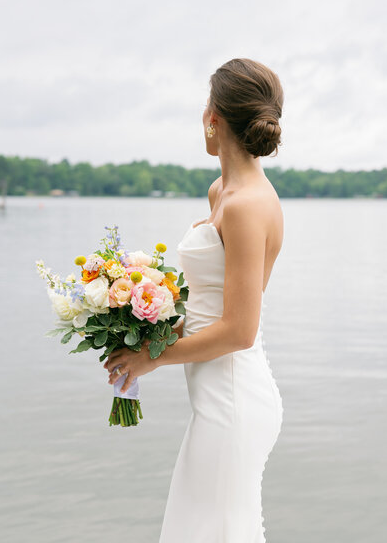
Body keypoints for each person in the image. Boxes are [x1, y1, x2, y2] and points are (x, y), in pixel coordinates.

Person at [104, 58, 284, 542]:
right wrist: (144, 320)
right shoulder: (221, 191)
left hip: (233, 399)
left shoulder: (248, 205)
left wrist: (151, 357)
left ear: (215, 118)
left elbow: (240, 329)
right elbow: (206, 304)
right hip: (212, 397)